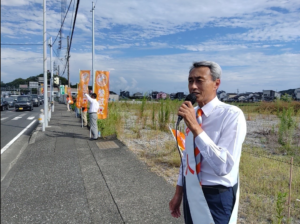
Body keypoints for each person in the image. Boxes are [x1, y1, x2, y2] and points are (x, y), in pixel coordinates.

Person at [169, 61, 247, 224]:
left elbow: (223, 167)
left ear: (216, 83)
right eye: (190, 81)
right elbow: (187, 157)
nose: (193, 87)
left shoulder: (231, 115)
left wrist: (196, 128)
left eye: (199, 80)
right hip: (191, 191)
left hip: (216, 196)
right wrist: (179, 192)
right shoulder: (193, 113)